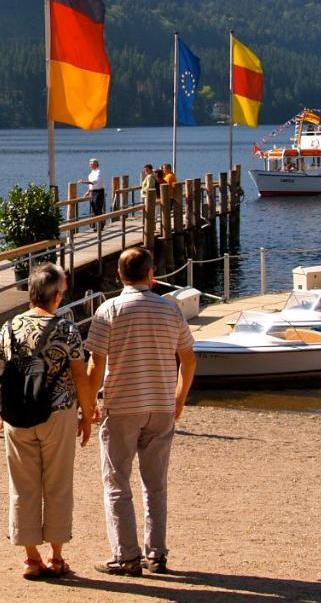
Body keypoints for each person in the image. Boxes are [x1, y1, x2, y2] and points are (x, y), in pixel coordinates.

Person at [84, 246, 196, 577]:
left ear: (119, 275)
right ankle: (156, 553)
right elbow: (188, 358)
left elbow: (95, 363)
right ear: (151, 274)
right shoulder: (170, 310)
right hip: (161, 405)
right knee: (155, 484)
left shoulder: (109, 311)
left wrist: (89, 404)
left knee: (117, 481)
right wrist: (179, 398)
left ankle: (126, 556)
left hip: (122, 406)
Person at [0, 262, 92, 580]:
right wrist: (87, 415)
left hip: (16, 417)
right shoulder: (67, 330)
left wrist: (2, 411)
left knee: (23, 485)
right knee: (58, 484)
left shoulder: (8, 328)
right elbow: (80, 378)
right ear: (57, 296)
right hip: (58, 414)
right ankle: (57, 557)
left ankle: (31, 557)